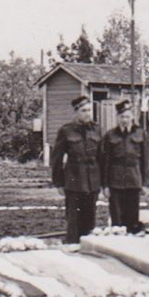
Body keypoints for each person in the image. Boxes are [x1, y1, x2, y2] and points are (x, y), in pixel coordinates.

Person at [51, 96, 102, 243]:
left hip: (92, 182)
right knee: (73, 221)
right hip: (74, 182)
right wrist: (59, 183)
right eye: (84, 110)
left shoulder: (97, 130)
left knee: (90, 220)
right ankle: (72, 246)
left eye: (89, 110)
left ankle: (88, 249)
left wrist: (103, 182)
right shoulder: (66, 131)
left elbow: (102, 158)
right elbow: (57, 159)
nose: (88, 114)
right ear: (76, 112)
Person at [99, 99, 149, 234]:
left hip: (134, 180)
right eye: (122, 117)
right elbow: (105, 162)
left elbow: (144, 161)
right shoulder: (110, 136)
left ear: (132, 117)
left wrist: (144, 183)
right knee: (117, 220)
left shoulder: (141, 134)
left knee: (133, 219)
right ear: (117, 118)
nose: (125, 120)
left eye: (127, 116)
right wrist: (105, 185)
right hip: (115, 182)